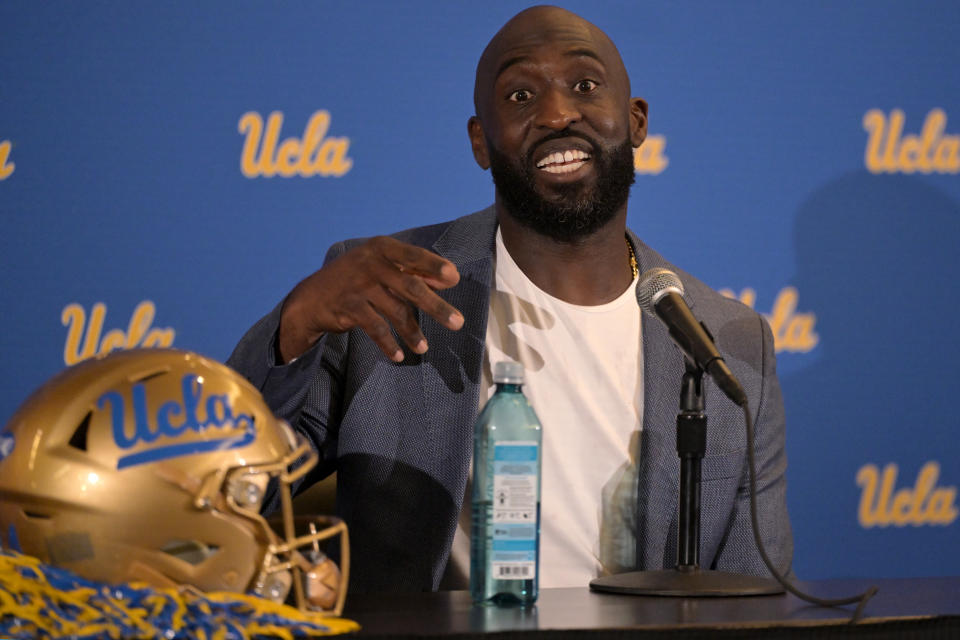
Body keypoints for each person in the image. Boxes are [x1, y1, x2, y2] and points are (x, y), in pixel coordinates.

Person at [228, 5, 792, 594]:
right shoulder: (386, 290)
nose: (556, 113)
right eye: (520, 96)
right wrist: (295, 325)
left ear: (635, 121)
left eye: (584, 85)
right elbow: (235, 488)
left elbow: (753, 591)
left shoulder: (730, 344)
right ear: (481, 140)